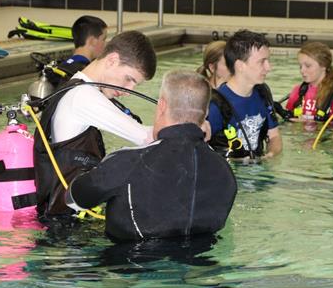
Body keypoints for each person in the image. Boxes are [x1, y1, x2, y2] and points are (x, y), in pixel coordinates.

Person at [64, 70, 237, 242]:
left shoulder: (126, 161)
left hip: (129, 264)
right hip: (204, 264)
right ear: (205, 113)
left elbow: (73, 200)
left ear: (161, 105)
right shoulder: (225, 172)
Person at [33, 30, 157, 220]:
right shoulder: (83, 97)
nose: (129, 91)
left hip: (64, 218)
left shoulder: (78, 87)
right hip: (66, 227)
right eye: (129, 79)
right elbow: (147, 138)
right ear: (112, 60)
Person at [206, 30, 282, 160]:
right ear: (240, 66)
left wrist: (270, 155)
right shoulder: (216, 104)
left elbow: (274, 136)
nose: (269, 67)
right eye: (262, 62)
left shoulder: (262, 93)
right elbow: (199, 147)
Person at [283, 42, 333, 123]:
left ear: (323, 66)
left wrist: (311, 123)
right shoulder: (298, 91)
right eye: (300, 66)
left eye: (308, 66)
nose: (302, 70)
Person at [46, 15, 108, 85]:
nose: (105, 44)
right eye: (103, 39)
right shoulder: (87, 72)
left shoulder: (62, 66)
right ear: (93, 41)